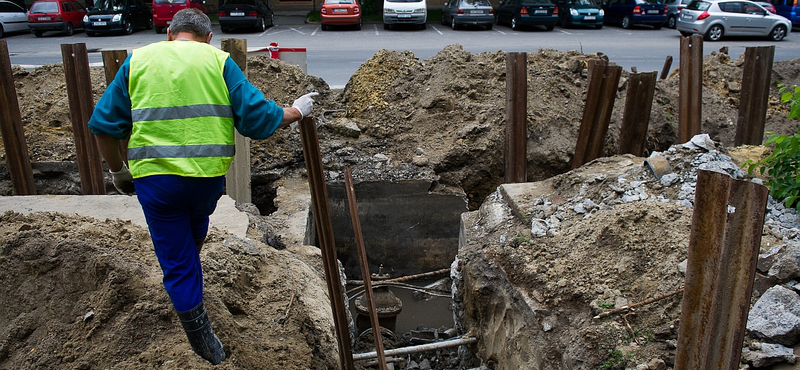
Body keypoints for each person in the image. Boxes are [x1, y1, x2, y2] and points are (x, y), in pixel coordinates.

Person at [88, 8, 317, 365]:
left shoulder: (138, 61)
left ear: (169, 33)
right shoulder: (218, 61)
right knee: (193, 233)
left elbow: (104, 126)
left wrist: (119, 172)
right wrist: (296, 111)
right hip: (206, 180)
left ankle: (202, 341)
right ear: (207, 38)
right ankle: (193, 301)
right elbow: (258, 119)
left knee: (177, 259)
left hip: (157, 182)